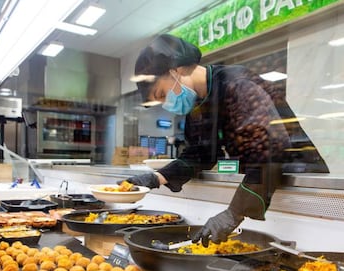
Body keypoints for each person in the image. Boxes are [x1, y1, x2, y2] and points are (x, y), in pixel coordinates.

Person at [122, 34, 328, 246]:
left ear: (177, 70)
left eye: (162, 94)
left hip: (301, 185)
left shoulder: (237, 85)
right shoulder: (198, 105)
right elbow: (199, 155)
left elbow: (268, 151)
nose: (167, 104)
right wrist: (156, 178)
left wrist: (233, 213)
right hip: (262, 187)